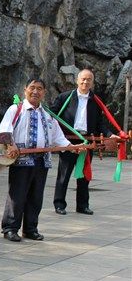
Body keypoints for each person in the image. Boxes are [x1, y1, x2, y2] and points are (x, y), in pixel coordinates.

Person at [0, 78, 78, 242]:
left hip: (42, 161)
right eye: (32, 88)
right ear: (25, 89)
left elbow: (58, 137)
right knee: (17, 195)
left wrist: (72, 146)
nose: (35, 91)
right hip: (20, 160)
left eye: (39, 88)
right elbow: (4, 131)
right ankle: (10, 228)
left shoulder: (48, 114)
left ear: (44, 92)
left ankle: (30, 228)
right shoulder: (16, 109)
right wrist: (11, 144)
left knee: (36, 197)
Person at [51, 69, 111, 216]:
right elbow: (51, 116)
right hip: (69, 140)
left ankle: (82, 205)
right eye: (83, 79)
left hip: (87, 141)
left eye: (89, 79)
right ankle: (59, 204)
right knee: (64, 174)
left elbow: (100, 124)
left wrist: (111, 134)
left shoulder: (96, 101)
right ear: (77, 80)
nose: (85, 82)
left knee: (85, 174)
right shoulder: (64, 97)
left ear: (92, 82)